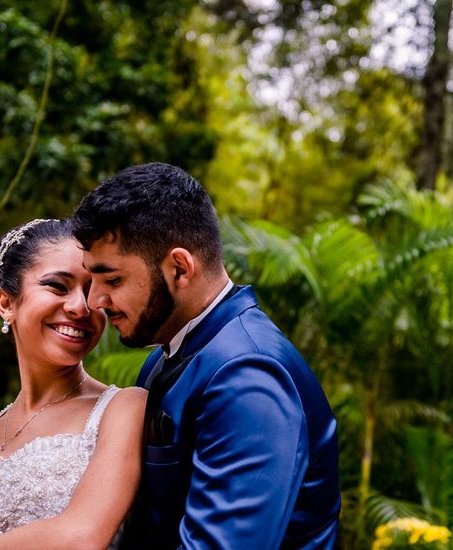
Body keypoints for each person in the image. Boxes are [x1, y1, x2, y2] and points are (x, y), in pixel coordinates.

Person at [70, 162, 340, 548]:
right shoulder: (164, 357)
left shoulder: (249, 375)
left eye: (112, 279)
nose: (95, 301)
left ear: (180, 268)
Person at [0, 219, 147, 549]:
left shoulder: (123, 409)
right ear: (6, 303)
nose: (80, 307)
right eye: (58, 287)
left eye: (92, 291)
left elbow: (82, 536)